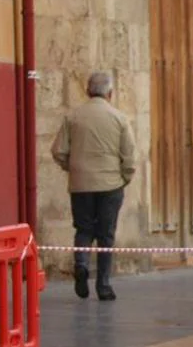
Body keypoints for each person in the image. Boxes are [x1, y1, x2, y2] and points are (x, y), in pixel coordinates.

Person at [51, 71, 137, 302]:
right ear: (110, 93)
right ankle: (104, 285)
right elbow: (129, 155)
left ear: (88, 91)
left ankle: (81, 264)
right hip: (110, 183)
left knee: (84, 228)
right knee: (106, 235)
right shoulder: (119, 118)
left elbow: (58, 150)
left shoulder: (73, 117)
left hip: (81, 184)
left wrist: (74, 168)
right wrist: (125, 177)